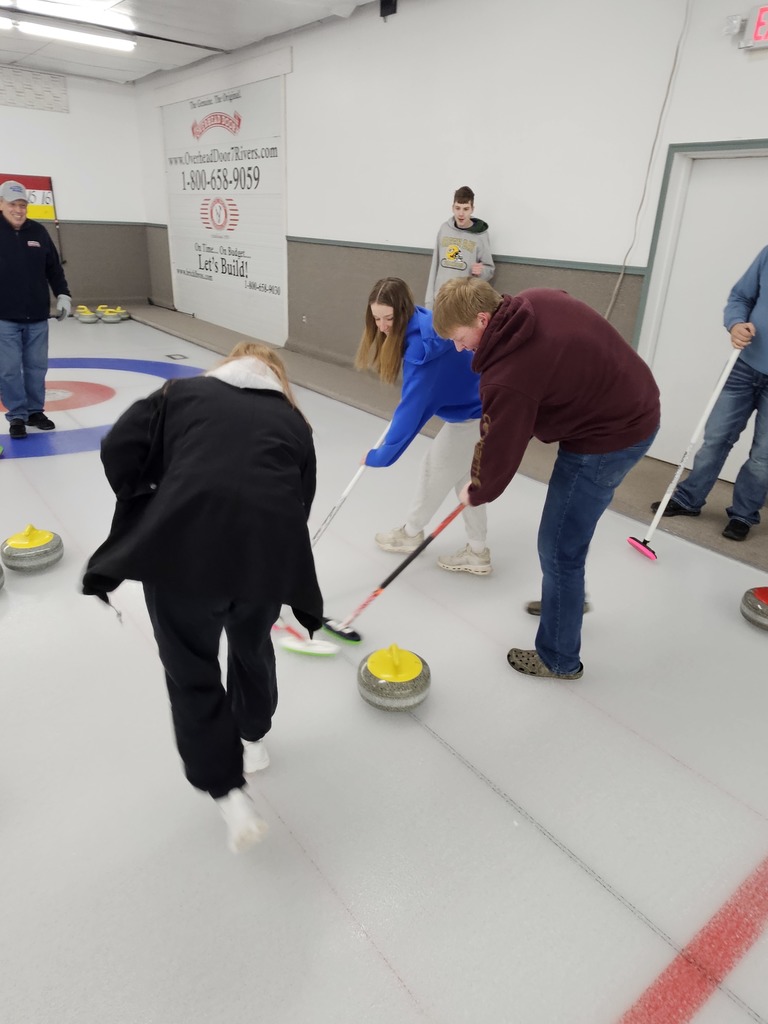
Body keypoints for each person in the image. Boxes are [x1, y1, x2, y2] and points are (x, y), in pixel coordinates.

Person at [82, 342, 323, 853]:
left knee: (191, 668)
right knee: (252, 646)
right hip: (264, 558)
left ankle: (227, 791)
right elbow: (300, 500)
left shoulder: (180, 394)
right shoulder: (294, 423)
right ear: (275, 379)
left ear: (227, 367)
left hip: (181, 552)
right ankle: (253, 739)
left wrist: (148, 492)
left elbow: (117, 448)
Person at [432, 279, 660, 680]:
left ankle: (558, 657)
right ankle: (563, 603)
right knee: (565, 544)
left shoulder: (507, 374)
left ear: (483, 319)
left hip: (609, 436)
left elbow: (501, 444)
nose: (459, 347)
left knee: (558, 548)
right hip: (635, 401)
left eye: (459, 336)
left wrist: (477, 489)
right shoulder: (536, 299)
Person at [355, 276, 491, 574]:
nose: (382, 326)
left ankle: (411, 533)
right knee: (465, 483)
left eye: (388, 318)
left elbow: (411, 413)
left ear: (403, 311)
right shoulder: (423, 318)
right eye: (376, 318)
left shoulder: (423, 354)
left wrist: (380, 455)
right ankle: (478, 551)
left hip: (473, 417)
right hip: (479, 409)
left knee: (433, 471)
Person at [650, 248, 768, 541]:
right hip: (743, 365)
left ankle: (743, 515)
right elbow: (741, 297)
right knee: (716, 439)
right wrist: (736, 323)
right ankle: (688, 499)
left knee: (763, 458)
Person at [0, 179, 71, 439]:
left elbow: (53, 267)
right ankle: (16, 415)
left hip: (37, 315)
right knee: (8, 369)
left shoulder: (38, 232)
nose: (18, 210)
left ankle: (34, 411)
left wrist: (63, 294)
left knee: (36, 366)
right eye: (12, 204)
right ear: (1, 204)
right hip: (3, 316)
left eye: (22, 205)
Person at [424, 185, 495, 309]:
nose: (461, 213)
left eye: (466, 209)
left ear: (472, 209)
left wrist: (481, 271)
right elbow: (435, 265)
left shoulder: (480, 234)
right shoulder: (444, 229)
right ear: (452, 208)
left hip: (463, 301)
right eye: (458, 208)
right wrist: (429, 301)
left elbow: (489, 269)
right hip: (441, 298)